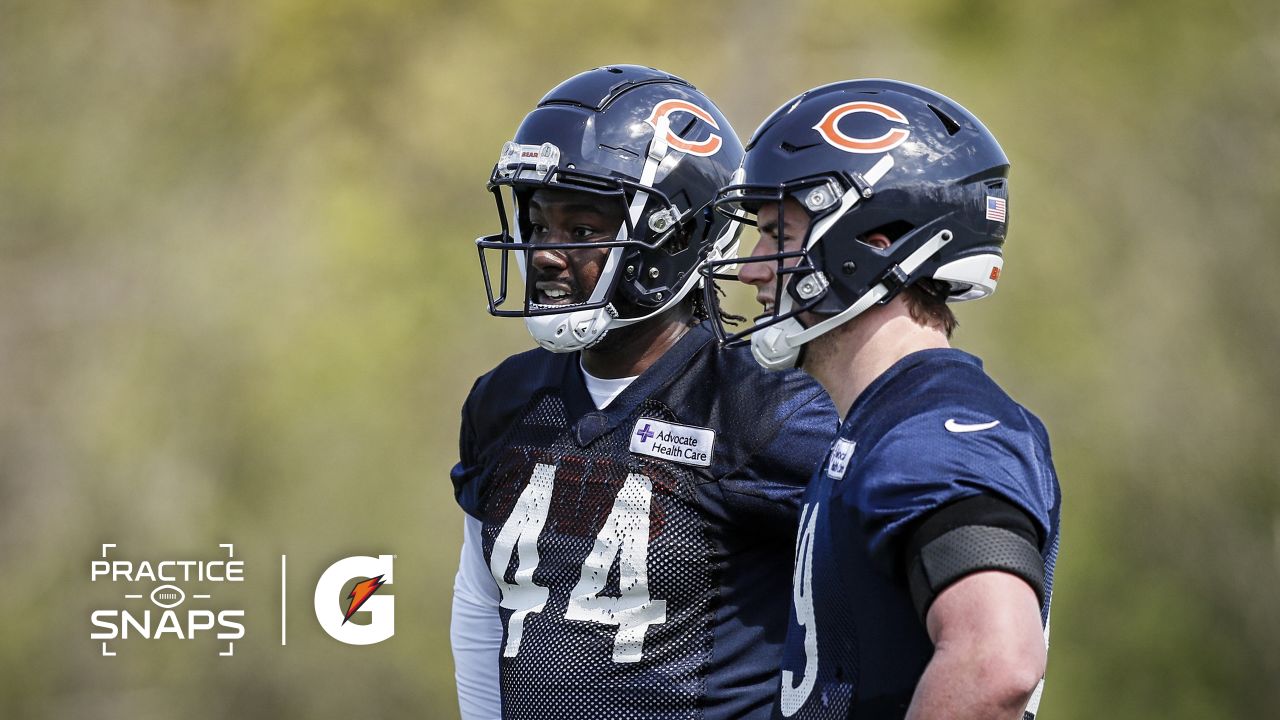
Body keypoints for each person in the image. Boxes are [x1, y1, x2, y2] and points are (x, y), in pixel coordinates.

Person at [450, 65, 837, 720]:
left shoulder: (765, 413)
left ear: (677, 236)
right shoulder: (507, 400)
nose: (545, 253)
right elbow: (482, 606)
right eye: (540, 226)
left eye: (581, 231)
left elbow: (875, 611)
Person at [702, 79, 1061, 719]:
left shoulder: (935, 431)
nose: (754, 267)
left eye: (776, 234)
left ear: (873, 241)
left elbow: (997, 660)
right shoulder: (878, 423)